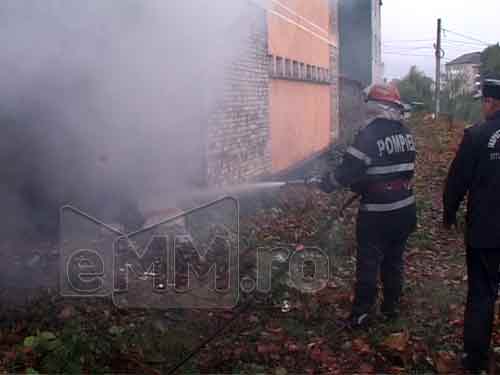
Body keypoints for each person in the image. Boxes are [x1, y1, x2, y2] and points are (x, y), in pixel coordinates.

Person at [319, 83, 417, 326]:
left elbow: (348, 172)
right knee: (394, 261)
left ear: (375, 107)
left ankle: (362, 314)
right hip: (405, 208)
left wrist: (328, 182)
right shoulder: (405, 133)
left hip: (377, 214)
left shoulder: (368, 134)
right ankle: (391, 308)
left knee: (368, 263)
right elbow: (398, 171)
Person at [443, 79, 500, 373]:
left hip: (486, 231)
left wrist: (449, 212)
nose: (483, 106)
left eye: (485, 101)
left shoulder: (477, 135)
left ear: (492, 102)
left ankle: (475, 358)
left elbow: (457, 180)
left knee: (481, 293)